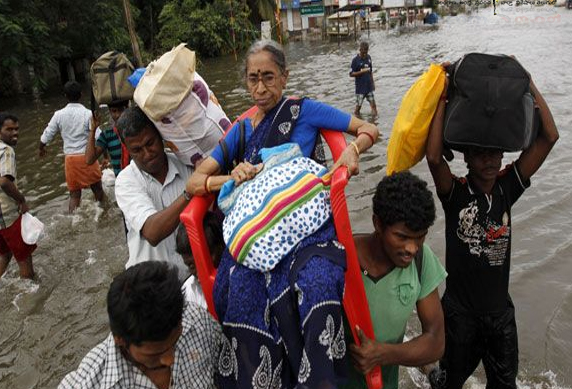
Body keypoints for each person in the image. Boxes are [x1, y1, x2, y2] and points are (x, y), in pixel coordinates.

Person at [186, 39, 379, 389]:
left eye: (269, 77)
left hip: (304, 226)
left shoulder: (302, 110)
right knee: (240, 291)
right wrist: (230, 176)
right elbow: (194, 182)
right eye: (253, 78)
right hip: (258, 233)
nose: (260, 88)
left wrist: (352, 150)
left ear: (285, 77)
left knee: (317, 281)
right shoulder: (241, 130)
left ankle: (320, 382)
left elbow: (369, 129)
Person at [426, 67, 559, 389]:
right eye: (481, 154)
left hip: (500, 316)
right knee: (449, 382)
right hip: (459, 316)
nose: (490, 161)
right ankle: (434, 373)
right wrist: (443, 95)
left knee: (505, 385)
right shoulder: (455, 194)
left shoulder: (505, 189)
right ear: (466, 158)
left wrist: (528, 80)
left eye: (496, 153)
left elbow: (549, 137)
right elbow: (433, 158)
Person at [345, 171, 447, 389]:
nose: (411, 248)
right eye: (401, 237)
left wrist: (382, 354)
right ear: (378, 225)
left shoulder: (422, 260)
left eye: (420, 237)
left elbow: (435, 342)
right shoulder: (342, 258)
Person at [58, 261, 221, 389]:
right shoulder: (88, 383)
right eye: (154, 354)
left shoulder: (196, 320)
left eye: (176, 341)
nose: (170, 359)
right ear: (120, 340)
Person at [114, 106, 193, 280]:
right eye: (137, 150)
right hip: (151, 287)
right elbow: (153, 232)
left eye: (150, 143)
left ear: (160, 135)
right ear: (126, 148)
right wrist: (189, 193)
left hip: (191, 278)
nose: (147, 154)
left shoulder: (186, 165)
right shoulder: (126, 181)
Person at [39, 80, 104, 212]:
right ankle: (103, 214)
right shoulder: (87, 114)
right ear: (81, 94)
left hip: (71, 160)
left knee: (74, 196)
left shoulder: (58, 115)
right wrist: (106, 155)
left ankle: (73, 221)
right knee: (98, 191)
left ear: (65, 96)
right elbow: (99, 136)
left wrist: (42, 147)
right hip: (88, 157)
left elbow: (47, 135)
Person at [0, 113, 35, 279]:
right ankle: (32, 297)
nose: (15, 133)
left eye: (16, 129)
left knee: (4, 255)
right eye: (9, 129)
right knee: (24, 257)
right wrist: (21, 200)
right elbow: (5, 182)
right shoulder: (6, 151)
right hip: (7, 212)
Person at [176, 211, 225, 308]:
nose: (200, 273)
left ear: (221, 247)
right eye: (191, 266)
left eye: (204, 261)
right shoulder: (188, 293)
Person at [85, 99, 129, 177]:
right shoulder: (107, 135)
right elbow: (89, 159)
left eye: (121, 110)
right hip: (122, 183)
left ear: (127, 108)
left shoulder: (136, 130)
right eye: (114, 111)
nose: (118, 115)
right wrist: (93, 130)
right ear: (110, 112)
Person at [350, 41, 377, 116]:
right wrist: (361, 72)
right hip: (360, 89)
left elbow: (370, 71)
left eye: (366, 51)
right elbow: (351, 74)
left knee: (374, 106)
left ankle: (374, 122)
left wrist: (373, 83)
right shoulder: (355, 60)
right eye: (363, 52)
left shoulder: (368, 57)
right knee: (358, 108)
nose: (365, 54)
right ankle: (356, 119)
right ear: (360, 50)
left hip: (368, 87)